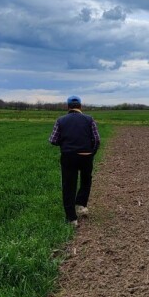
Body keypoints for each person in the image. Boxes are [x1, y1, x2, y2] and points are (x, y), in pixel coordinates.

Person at [48, 95, 100, 227]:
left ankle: (72, 218)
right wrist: (91, 152)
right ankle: (82, 205)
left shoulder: (61, 120)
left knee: (68, 185)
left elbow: (53, 140)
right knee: (86, 180)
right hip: (86, 155)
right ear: (80, 106)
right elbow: (97, 139)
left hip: (68, 156)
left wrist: (65, 143)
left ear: (68, 107)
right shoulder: (89, 119)